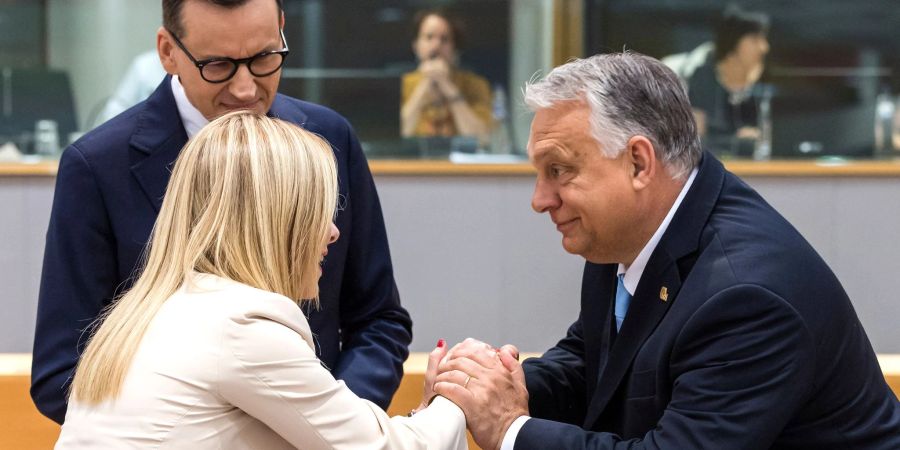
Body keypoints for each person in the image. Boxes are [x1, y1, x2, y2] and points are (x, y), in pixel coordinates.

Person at [432, 52, 900, 449]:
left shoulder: (746, 296)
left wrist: (511, 428)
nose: (540, 200)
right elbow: (593, 364)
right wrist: (481, 383)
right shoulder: (629, 232)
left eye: (559, 170)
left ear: (638, 162)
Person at [32, 0, 412, 424]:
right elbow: (61, 373)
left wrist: (332, 424)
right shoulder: (98, 166)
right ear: (167, 51)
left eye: (265, 58)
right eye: (217, 65)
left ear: (282, 30)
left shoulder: (330, 137)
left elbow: (379, 321)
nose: (247, 89)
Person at [53, 111, 466, 449]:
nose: (333, 232)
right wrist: (459, 394)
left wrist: (425, 415)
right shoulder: (240, 326)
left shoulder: (152, 312)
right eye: (316, 211)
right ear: (275, 222)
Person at [401, 9, 492, 142]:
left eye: (444, 39)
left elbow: (481, 139)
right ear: (416, 45)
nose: (436, 45)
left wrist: (448, 87)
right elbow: (397, 136)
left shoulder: (475, 85)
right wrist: (423, 87)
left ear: (455, 48)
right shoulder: (403, 84)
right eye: (429, 37)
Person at [687, 6, 770, 153]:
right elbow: (696, 137)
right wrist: (735, 142)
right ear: (733, 41)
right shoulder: (703, 78)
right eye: (754, 40)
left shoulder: (765, 81)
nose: (764, 47)